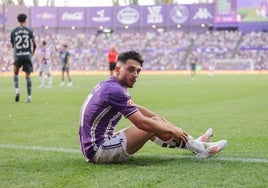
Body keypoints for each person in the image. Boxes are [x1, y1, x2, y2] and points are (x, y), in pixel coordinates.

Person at [79, 50, 227, 163]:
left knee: (154, 122)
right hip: (98, 150)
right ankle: (200, 148)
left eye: (138, 71)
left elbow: (142, 112)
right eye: (131, 69)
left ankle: (194, 143)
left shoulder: (111, 86)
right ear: (117, 69)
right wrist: (172, 129)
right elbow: (142, 123)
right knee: (149, 127)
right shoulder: (116, 90)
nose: (135, 74)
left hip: (97, 145)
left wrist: (162, 121)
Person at [10, 13, 36, 103]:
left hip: (18, 55)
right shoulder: (29, 30)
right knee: (28, 77)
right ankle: (29, 97)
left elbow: (13, 45)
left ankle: (17, 90)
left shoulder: (13, 31)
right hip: (27, 55)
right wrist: (32, 53)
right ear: (25, 20)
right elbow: (34, 44)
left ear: (18, 20)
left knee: (15, 73)